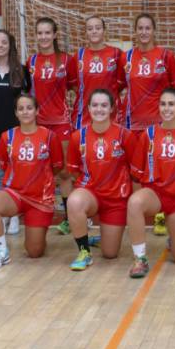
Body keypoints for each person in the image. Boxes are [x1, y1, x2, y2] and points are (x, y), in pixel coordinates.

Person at [126, 88, 175, 278]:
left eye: (171, 104)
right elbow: (136, 174)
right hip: (155, 194)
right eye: (163, 104)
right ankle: (140, 258)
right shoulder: (149, 134)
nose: (166, 108)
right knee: (134, 203)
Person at [0, 94, 64, 269]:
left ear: (37, 111)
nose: (25, 112)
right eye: (21, 109)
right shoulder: (7, 137)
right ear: (16, 113)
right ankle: (1, 251)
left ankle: (37, 231)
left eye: (29, 108)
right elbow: (4, 164)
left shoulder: (49, 136)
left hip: (40, 199)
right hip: (15, 194)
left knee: (34, 252)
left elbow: (56, 166)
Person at [119, 13, 175, 237]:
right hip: (133, 122)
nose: (144, 32)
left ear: (154, 31)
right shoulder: (126, 57)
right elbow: (118, 86)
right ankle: (137, 214)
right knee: (136, 170)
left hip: (159, 123)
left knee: (160, 168)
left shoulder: (166, 56)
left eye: (148, 28)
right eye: (140, 28)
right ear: (135, 31)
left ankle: (160, 215)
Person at [65, 89, 137, 271]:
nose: (99, 109)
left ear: (112, 108)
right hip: (91, 193)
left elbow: (135, 171)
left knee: (110, 253)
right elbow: (74, 171)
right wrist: (88, 186)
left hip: (116, 199)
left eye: (104, 105)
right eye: (95, 105)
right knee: (74, 201)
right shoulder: (77, 137)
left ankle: (101, 238)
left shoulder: (125, 135)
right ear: (88, 108)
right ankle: (84, 252)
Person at [27, 17, 78, 235]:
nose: (44, 37)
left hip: (61, 123)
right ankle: (40, 216)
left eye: (47, 32)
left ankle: (69, 218)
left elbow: (77, 89)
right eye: (40, 33)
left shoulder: (66, 60)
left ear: (55, 35)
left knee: (64, 173)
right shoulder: (31, 62)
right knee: (40, 172)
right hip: (38, 124)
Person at [0, 29, 30, 235]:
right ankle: (1, 214)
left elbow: (28, 100)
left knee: (16, 172)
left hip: (15, 131)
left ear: (10, 45)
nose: (0, 46)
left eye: (4, 42)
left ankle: (15, 215)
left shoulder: (21, 70)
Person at [72, 15, 125, 130]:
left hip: (111, 113)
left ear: (104, 31)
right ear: (86, 33)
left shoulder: (116, 54)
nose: (94, 31)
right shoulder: (78, 55)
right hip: (85, 114)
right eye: (90, 29)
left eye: (98, 28)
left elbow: (122, 83)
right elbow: (75, 85)